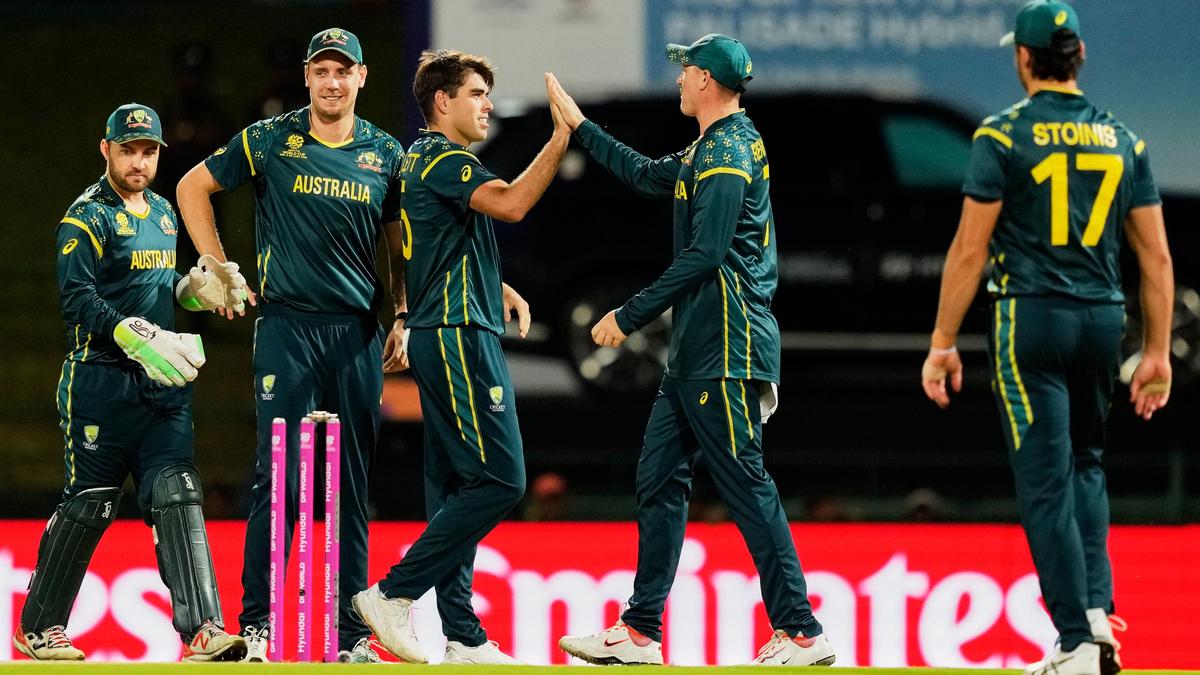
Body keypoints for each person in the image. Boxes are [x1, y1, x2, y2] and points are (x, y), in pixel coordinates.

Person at [547, 34, 835, 667]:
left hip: (727, 348)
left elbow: (706, 253)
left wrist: (628, 316)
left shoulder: (728, 151)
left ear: (706, 80)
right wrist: (582, 128)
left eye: (685, 69)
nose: (678, 78)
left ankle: (802, 632)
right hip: (696, 352)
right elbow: (646, 176)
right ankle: (640, 632)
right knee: (657, 478)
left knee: (746, 486)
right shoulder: (711, 145)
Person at [920, 3, 1172, 675]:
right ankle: (1095, 616)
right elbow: (1155, 257)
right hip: (1102, 320)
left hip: (1030, 319)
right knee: (1087, 464)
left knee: (1044, 481)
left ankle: (1075, 642)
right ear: (1080, 54)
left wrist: (942, 340)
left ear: (1024, 58)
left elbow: (969, 249)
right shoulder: (1125, 139)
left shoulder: (1002, 135)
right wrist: (1156, 351)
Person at [175, 28, 406, 663]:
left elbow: (398, 241)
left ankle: (351, 635)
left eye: (343, 71)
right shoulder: (270, 139)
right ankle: (257, 625)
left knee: (351, 484)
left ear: (361, 77)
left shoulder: (385, 152)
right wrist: (216, 263)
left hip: (356, 332)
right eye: (322, 71)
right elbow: (192, 186)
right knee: (279, 479)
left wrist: (403, 313)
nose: (332, 82)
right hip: (286, 327)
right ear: (306, 76)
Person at [349, 49, 568, 666]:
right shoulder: (446, 159)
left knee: (452, 486)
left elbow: (435, 244)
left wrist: (496, 283)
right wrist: (560, 137)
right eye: (476, 93)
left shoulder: (422, 160)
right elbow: (513, 203)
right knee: (502, 480)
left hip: (446, 326)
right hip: (458, 336)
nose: (488, 105)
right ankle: (393, 593)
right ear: (442, 101)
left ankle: (463, 635)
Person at [14, 103, 249, 662]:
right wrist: (132, 333)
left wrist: (194, 291)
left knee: (178, 493)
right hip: (100, 383)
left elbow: (158, 283)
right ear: (106, 150)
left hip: (162, 384)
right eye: (128, 151)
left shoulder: (164, 213)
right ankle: (39, 628)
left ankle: (204, 630)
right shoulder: (85, 218)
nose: (139, 162)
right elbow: (77, 299)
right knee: (91, 504)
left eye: (148, 152)